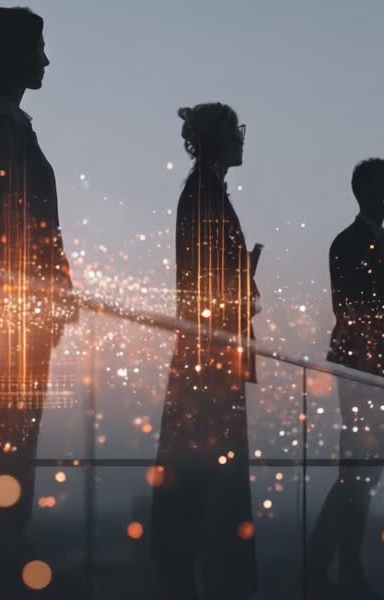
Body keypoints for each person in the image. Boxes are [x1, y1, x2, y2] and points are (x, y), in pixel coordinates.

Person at [0, 6, 75, 596]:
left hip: (13, 307)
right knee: (9, 431)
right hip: (15, 309)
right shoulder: (2, 128)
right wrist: (51, 287)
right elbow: (18, 225)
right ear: (14, 56)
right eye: (38, 49)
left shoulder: (4, 126)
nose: (46, 60)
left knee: (8, 431)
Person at [152, 102, 259, 600]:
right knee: (202, 480)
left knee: (201, 480)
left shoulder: (204, 192)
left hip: (209, 355)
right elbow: (205, 284)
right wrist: (241, 296)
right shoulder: (204, 195)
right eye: (235, 130)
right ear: (219, 139)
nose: (242, 137)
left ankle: (191, 579)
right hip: (209, 360)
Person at [308, 158, 384, 599]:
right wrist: (382, 350)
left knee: (362, 477)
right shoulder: (347, 244)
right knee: (355, 474)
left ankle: (342, 567)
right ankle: (321, 569)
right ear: (368, 191)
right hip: (365, 375)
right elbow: (352, 310)